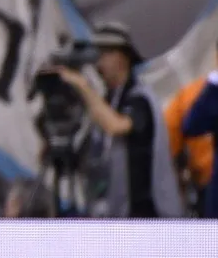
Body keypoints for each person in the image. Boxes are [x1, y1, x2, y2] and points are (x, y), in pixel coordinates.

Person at [55, 22, 183, 218]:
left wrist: (83, 86)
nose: (98, 63)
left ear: (122, 57)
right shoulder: (109, 100)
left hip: (146, 213)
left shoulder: (140, 98)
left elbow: (116, 126)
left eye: (103, 54)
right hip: (114, 211)